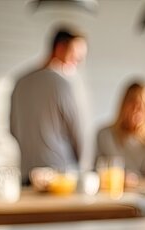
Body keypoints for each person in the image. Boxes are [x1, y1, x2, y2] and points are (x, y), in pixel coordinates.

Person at [10, 26, 88, 183]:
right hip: (60, 176)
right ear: (59, 48)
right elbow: (78, 134)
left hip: (27, 174)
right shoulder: (63, 84)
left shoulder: (20, 82)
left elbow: (13, 129)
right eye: (75, 56)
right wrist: (82, 169)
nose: (77, 63)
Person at [95, 81, 145, 183]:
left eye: (143, 105)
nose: (137, 109)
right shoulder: (105, 135)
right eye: (132, 103)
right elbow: (97, 170)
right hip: (115, 195)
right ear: (123, 105)